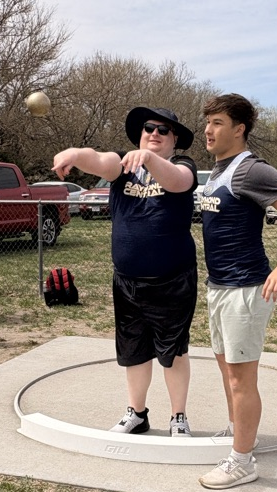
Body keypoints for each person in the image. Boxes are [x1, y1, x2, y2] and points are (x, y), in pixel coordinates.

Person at [53, 106, 198, 437]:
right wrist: (75, 154)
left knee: (172, 352)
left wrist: (148, 160)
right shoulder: (123, 165)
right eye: (149, 128)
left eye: (164, 130)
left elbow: (178, 183)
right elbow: (99, 160)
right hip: (128, 280)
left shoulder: (181, 166)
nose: (155, 134)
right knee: (134, 351)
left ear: (175, 139)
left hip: (173, 280)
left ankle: (178, 417)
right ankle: (137, 414)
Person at [197, 93, 277, 490]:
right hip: (219, 287)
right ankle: (240, 436)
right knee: (227, 373)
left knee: (240, 380)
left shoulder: (251, 171)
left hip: (245, 289)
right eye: (207, 122)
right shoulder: (217, 170)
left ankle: (242, 461)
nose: (208, 130)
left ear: (239, 129)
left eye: (217, 123)